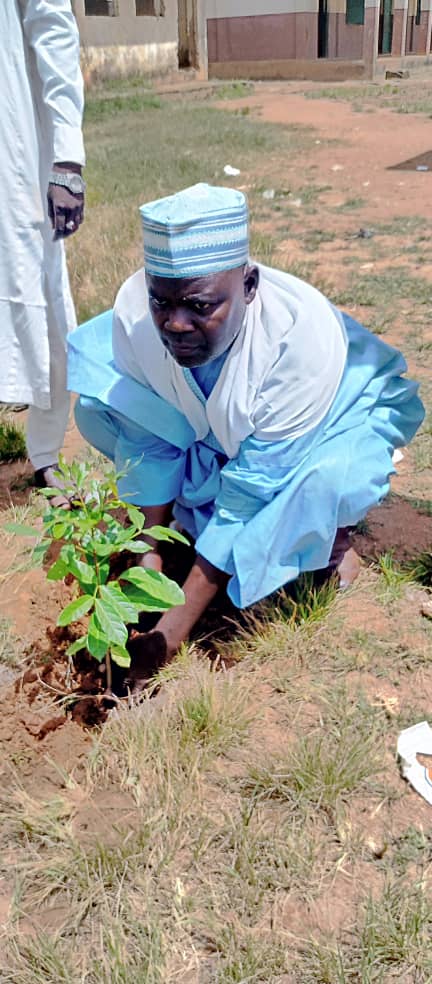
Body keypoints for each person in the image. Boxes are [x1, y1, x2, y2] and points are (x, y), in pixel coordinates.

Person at [68, 183, 424, 689]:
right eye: (161, 302)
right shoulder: (137, 321)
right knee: (100, 408)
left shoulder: (298, 343)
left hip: (321, 427)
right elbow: (151, 441)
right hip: (225, 435)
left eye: (199, 306)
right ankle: (199, 535)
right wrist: (143, 573)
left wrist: (169, 634)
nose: (175, 324)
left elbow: (248, 491)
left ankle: (328, 543)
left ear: (249, 284)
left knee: (327, 485)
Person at [0, 1, 85, 506]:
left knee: (38, 294)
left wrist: (66, 158)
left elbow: (54, 29)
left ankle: (45, 454)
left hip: (12, 150)